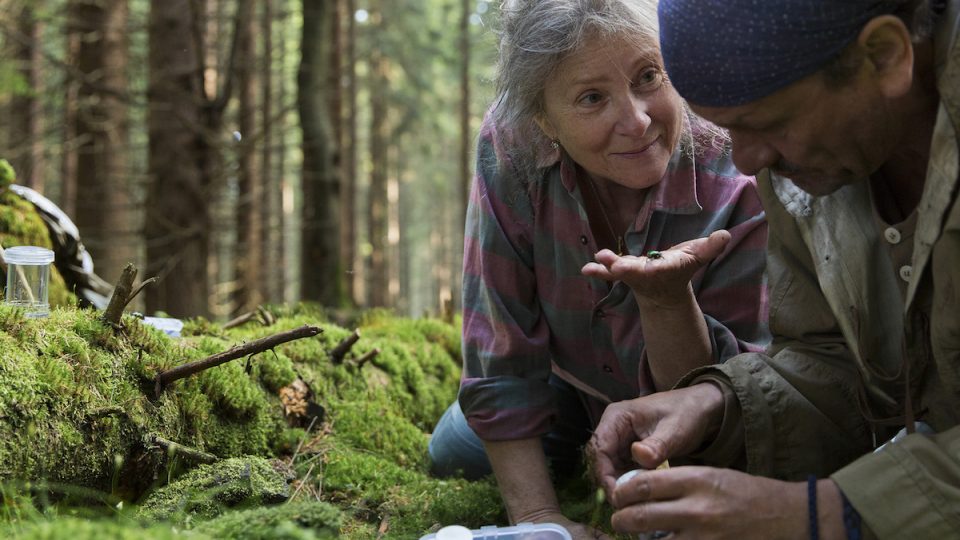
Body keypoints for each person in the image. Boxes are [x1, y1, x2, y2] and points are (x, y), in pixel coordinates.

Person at [589, 0, 960, 538]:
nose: (745, 162)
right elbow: (831, 358)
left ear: (883, 56)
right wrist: (719, 403)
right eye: (727, 129)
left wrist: (826, 515)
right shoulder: (807, 163)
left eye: (767, 123)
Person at [427, 0, 769, 537]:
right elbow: (500, 339)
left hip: (691, 407)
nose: (635, 120)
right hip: (565, 380)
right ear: (544, 120)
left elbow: (733, 391)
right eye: (592, 97)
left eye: (648, 76)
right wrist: (539, 521)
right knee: (454, 453)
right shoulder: (511, 144)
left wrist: (665, 301)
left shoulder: (736, 164)